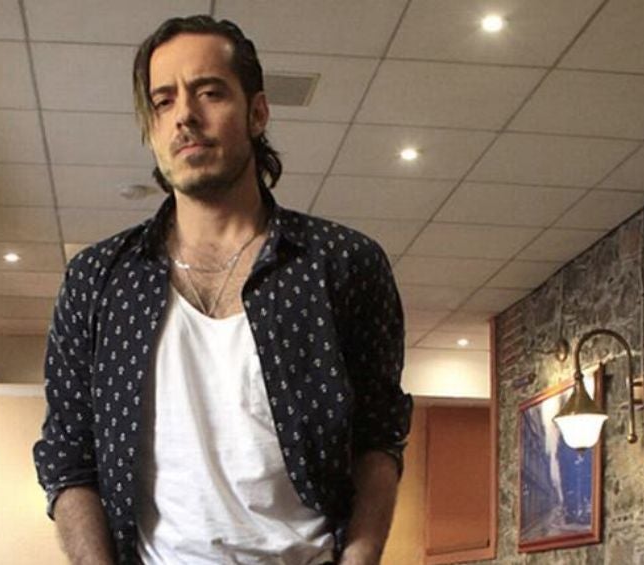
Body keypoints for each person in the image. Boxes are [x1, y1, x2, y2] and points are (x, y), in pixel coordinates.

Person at [33, 15, 412, 565]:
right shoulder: (98, 281)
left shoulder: (342, 265)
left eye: (209, 92)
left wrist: (360, 557)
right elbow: (69, 455)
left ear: (257, 113)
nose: (185, 115)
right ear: (151, 129)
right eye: (163, 101)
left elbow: (379, 435)